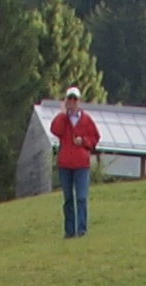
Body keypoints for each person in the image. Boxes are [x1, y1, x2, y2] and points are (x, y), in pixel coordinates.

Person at [51, 88, 102, 237]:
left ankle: (81, 229)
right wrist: (63, 114)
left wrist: (84, 141)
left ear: (79, 102)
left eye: (75, 99)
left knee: (81, 198)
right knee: (68, 199)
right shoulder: (63, 119)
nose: (72, 102)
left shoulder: (86, 120)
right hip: (65, 164)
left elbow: (95, 138)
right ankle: (69, 231)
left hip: (81, 165)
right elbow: (55, 130)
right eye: (70, 99)